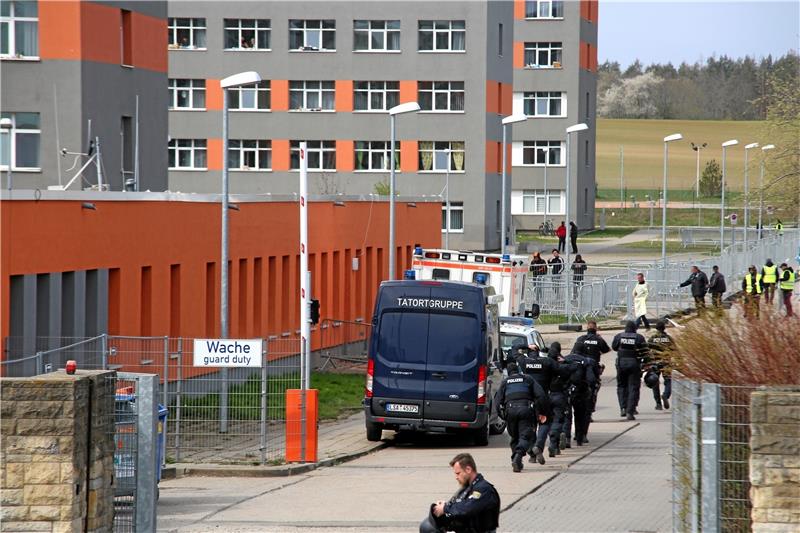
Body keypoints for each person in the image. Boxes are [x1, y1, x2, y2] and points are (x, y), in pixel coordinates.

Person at [420, 453, 500, 533]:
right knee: (427, 526)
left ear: (468, 469)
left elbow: (467, 509)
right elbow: (461, 504)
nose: (456, 477)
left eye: (458, 473)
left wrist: (445, 508)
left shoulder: (483, 489)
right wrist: (445, 504)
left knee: (429, 529)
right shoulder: (469, 487)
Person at [495, 362, 549, 472]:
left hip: (510, 411)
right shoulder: (528, 379)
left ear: (509, 373)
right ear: (518, 370)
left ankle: (517, 462)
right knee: (525, 436)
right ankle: (518, 456)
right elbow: (541, 395)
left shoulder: (505, 382)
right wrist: (543, 411)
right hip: (526, 409)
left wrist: (502, 416)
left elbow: (497, 401)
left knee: (514, 437)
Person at [516, 341, 560, 464]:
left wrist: (524, 346)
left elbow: (514, 349)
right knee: (546, 422)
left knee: (530, 425)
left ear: (529, 352)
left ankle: (532, 454)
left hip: (528, 399)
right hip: (543, 398)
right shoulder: (547, 362)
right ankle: (539, 446)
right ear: (538, 351)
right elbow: (559, 371)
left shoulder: (523, 361)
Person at [562, 344, 598, 446]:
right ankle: (580, 437)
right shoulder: (587, 361)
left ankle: (567, 438)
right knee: (581, 415)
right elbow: (592, 379)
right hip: (581, 391)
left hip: (567, 391)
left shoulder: (565, 359)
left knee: (567, 416)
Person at [612, 320, 648, 420]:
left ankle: (623, 408)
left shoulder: (619, 336)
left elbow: (614, 347)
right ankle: (630, 412)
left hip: (621, 364)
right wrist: (646, 364)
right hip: (634, 363)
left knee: (621, 386)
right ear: (635, 328)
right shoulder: (639, 337)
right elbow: (645, 352)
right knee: (633, 387)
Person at [572, 320, 610, 414]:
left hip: (581, 367)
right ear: (596, 329)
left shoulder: (581, 338)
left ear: (587, 328)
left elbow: (574, 352)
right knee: (594, 387)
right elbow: (607, 349)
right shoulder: (598, 339)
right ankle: (591, 406)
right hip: (593, 367)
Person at [545, 342, 572, 453]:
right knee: (559, 419)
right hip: (560, 396)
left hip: (546, 396)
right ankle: (554, 443)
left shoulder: (544, 365)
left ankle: (554, 443)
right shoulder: (563, 367)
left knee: (548, 421)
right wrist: (565, 361)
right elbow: (573, 369)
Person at [647, 320, 673, 410]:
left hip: (655, 363)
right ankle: (665, 395)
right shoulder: (668, 338)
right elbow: (675, 350)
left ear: (656, 328)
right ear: (664, 328)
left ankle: (658, 404)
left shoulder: (652, 338)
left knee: (655, 382)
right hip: (666, 363)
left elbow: (646, 350)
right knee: (668, 381)